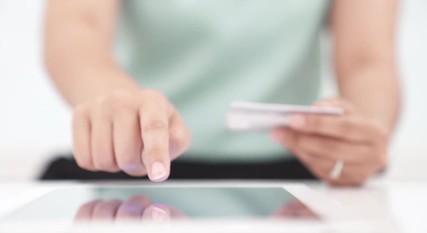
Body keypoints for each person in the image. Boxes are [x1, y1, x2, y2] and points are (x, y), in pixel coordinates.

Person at [42, 0, 400, 186]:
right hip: (131, 162)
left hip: (298, 170)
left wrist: (362, 133)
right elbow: (77, 27)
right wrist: (120, 104)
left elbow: (367, 60)